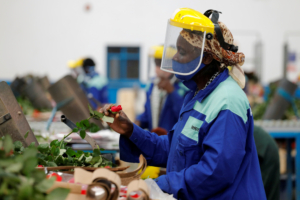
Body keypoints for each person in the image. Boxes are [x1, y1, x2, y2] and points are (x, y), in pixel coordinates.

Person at [100, 8, 266, 199]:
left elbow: (215, 172)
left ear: (206, 57)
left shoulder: (227, 101)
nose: (175, 58)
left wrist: (158, 185)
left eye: (182, 52)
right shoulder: (198, 95)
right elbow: (175, 149)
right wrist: (130, 130)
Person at [135, 45, 189, 133]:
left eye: (161, 63)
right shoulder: (151, 85)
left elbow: (184, 116)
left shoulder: (184, 87)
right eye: (156, 63)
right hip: (154, 140)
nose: (158, 68)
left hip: (173, 141)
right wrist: (138, 121)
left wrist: (172, 91)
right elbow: (148, 114)